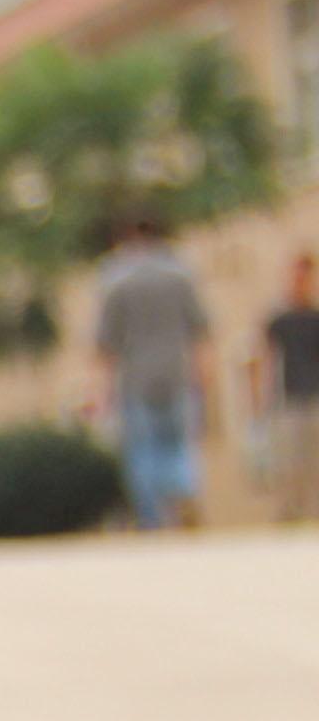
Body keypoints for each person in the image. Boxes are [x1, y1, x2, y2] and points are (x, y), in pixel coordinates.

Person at [95, 209, 213, 530]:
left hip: (135, 378)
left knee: (143, 451)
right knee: (178, 443)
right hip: (177, 372)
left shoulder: (115, 279)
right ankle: (182, 495)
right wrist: (204, 376)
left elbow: (106, 343)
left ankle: (153, 519)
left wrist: (105, 391)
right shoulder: (180, 274)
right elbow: (199, 331)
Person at [258, 252, 319, 524]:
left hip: (314, 395)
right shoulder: (279, 319)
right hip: (289, 396)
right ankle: (291, 511)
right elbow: (266, 357)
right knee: (290, 459)